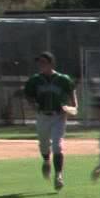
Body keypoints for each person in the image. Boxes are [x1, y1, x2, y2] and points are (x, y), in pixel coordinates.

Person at [22, 51, 77, 190]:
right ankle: (46, 161)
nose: (40, 65)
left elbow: (71, 90)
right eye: (39, 62)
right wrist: (32, 104)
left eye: (43, 62)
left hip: (59, 116)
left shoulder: (62, 79)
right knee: (44, 145)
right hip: (42, 116)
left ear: (51, 63)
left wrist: (74, 106)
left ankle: (58, 175)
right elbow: (28, 94)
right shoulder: (35, 79)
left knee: (57, 145)